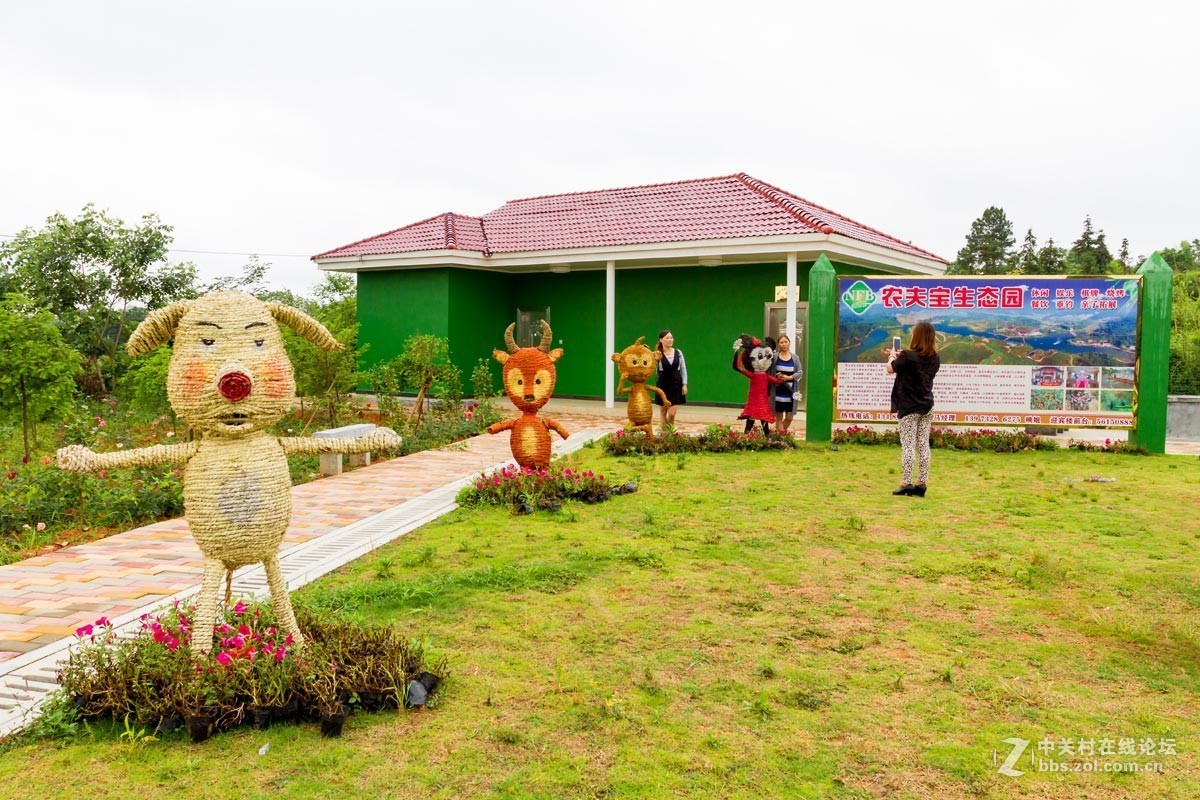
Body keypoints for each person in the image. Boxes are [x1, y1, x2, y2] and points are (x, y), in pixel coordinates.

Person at [886, 321, 940, 497]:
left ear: (916, 336)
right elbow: (916, 365)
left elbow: (890, 369)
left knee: (908, 446)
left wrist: (892, 357)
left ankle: (906, 482)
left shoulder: (907, 356)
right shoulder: (935, 358)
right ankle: (921, 484)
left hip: (908, 407)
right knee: (923, 445)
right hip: (926, 405)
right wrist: (901, 356)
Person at [770, 334, 802, 434]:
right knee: (778, 416)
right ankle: (780, 437)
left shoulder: (795, 358)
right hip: (778, 392)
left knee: (789, 417)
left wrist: (789, 377)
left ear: (789, 343)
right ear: (779, 344)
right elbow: (769, 372)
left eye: (786, 342)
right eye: (781, 342)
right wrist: (776, 376)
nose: (784, 344)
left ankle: (778, 434)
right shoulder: (774, 357)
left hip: (790, 392)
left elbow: (800, 372)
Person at [654, 329, 687, 427]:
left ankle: (669, 430)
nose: (670, 340)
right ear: (661, 340)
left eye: (671, 338)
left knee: (672, 413)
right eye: (667, 338)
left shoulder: (678, 352)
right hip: (662, 385)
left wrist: (684, 384)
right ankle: (665, 434)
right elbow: (654, 370)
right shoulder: (657, 354)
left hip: (676, 384)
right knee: (663, 412)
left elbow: (683, 369)